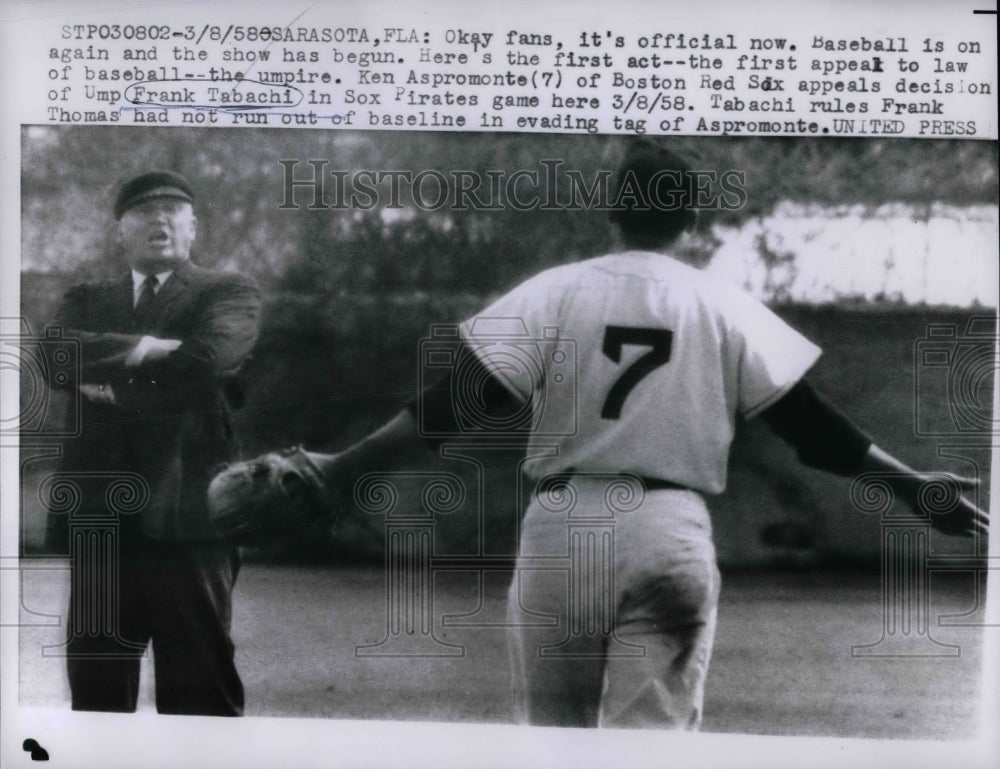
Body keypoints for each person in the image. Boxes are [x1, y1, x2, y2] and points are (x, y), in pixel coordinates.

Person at [212, 143, 987, 728]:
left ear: (611, 215)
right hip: (670, 528)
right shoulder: (721, 304)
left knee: (553, 748)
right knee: (649, 753)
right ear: (690, 221)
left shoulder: (557, 290)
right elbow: (814, 431)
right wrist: (914, 489)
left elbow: (452, 407)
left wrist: (344, 468)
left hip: (563, 526)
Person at [46, 170, 261, 715]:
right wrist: (148, 346)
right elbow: (53, 354)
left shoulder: (229, 291)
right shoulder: (87, 297)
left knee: (199, 693)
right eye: (143, 211)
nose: (158, 218)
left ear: (194, 228)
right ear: (121, 230)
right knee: (96, 697)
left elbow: (208, 359)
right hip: (101, 521)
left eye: (172, 209)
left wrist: (111, 389)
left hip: (189, 517)